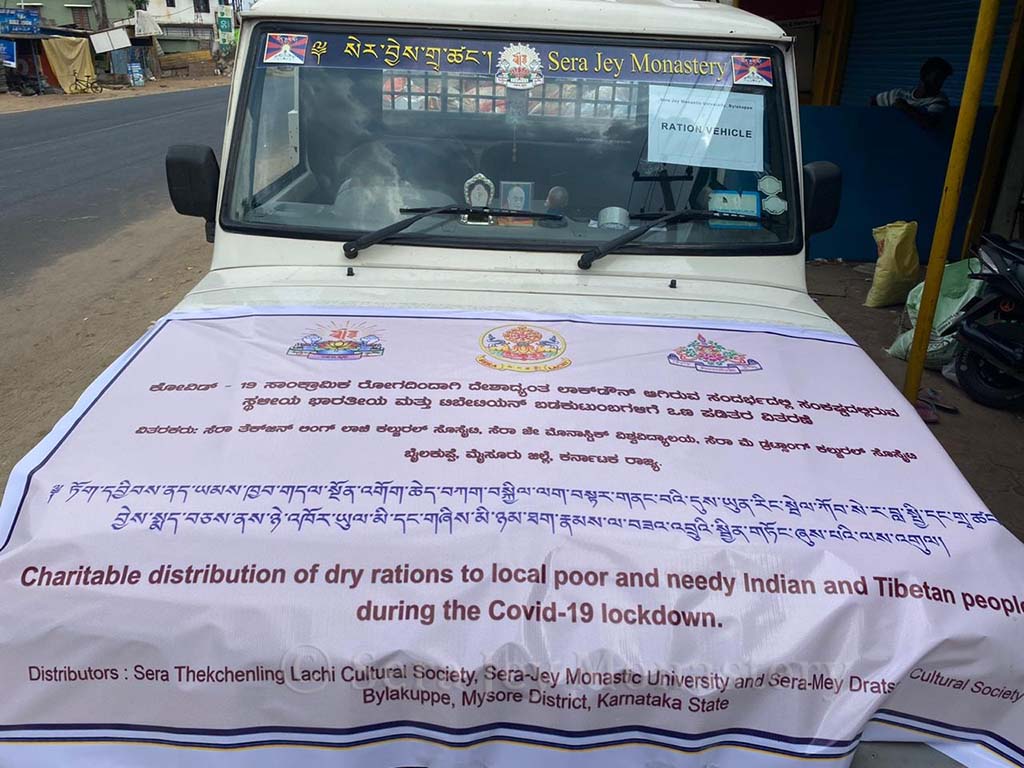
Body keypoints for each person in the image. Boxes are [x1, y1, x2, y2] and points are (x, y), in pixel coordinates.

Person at [870, 57, 953, 128]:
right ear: (924, 76)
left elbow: (929, 123)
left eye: (942, 80)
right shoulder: (898, 94)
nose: (940, 84)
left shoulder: (939, 100)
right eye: (936, 79)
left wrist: (905, 107)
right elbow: (874, 100)